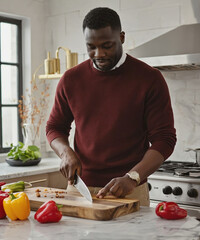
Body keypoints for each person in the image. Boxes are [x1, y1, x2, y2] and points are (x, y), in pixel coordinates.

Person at [46, 7, 176, 206]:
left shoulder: (149, 79)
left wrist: (132, 177)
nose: (99, 54)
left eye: (107, 45)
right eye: (91, 47)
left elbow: (164, 139)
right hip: (80, 189)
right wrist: (65, 152)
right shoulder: (71, 79)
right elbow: (54, 127)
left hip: (130, 189)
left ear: (122, 37)